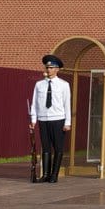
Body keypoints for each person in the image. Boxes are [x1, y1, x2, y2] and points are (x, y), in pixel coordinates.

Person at [29, 54, 71, 183]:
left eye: (52, 67)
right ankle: (46, 174)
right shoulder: (39, 85)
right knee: (45, 147)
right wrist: (33, 119)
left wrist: (67, 122)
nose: (49, 70)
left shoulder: (64, 85)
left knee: (58, 148)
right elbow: (34, 103)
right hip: (43, 119)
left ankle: (54, 175)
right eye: (47, 67)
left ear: (57, 69)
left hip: (58, 119)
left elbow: (67, 103)